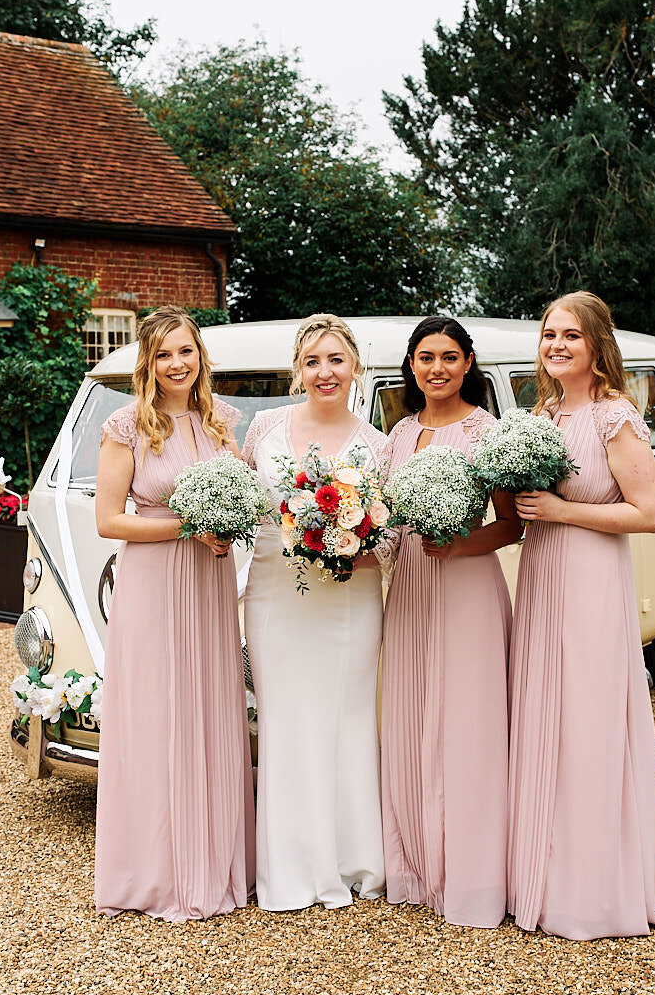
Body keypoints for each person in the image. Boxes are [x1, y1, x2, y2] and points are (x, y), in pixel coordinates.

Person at [506, 290, 655, 940]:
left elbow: (650, 513)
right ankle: (545, 880)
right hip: (543, 575)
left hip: (593, 580)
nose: (557, 345)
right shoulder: (539, 416)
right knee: (546, 716)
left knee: (589, 720)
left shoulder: (615, 416)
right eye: (549, 335)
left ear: (597, 346)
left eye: (570, 336)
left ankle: (597, 890)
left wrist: (563, 512)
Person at [93, 306, 254, 922]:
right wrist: (188, 527)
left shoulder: (220, 421)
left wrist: (224, 531)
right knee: (157, 712)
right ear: (148, 363)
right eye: (164, 354)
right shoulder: (127, 425)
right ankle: (155, 872)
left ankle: (214, 865)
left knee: (209, 707)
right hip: (155, 582)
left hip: (209, 584)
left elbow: (238, 498)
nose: (177, 363)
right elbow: (110, 521)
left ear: (200, 357)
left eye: (186, 351)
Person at [241, 313, 388, 910]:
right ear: (297, 370)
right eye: (312, 362)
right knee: (285, 721)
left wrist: (352, 534)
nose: (324, 372)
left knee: (347, 719)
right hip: (276, 593)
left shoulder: (379, 445)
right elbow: (247, 507)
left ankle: (352, 862)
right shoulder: (264, 428)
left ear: (355, 367)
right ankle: (291, 867)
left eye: (335, 360)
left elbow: (389, 534)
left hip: (350, 596)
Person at [379, 317, 521, 928]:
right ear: (410, 366)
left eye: (450, 357)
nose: (437, 368)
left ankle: (472, 876)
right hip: (410, 586)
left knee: (467, 723)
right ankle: (415, 868)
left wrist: (459, 546)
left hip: (465, 585)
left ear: (468, 365)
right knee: (410, 717)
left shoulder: (488, 432)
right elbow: (380, 514)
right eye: (425, 357)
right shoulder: (400, 432)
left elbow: (512, 525)